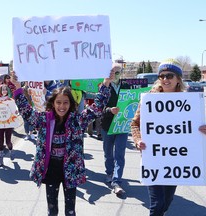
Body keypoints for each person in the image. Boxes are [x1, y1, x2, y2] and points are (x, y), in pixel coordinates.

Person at [13, 71, 115, 216]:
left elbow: (97, 108)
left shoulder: (77, 121)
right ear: (52, 103)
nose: (62, 106)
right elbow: (26, 112)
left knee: (70, 211)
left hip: (71, 170)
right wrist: (17, 88)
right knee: (52, 210)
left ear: (71, 104)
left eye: (66, 102)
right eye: (58, 102)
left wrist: (106, 83)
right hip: (51, 171)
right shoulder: (44, 120)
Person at [131, 58, 206, 216]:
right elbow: (135, 124)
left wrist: (202, 131)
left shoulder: (189, 103)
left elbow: (194, 130)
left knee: (166, 202)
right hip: (154, 159)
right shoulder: (149, 100)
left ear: (178, 79)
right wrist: (138, 140)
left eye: (169, 76)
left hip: (176, 161)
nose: (165, 79)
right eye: (162, 76)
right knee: (157, 205)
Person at [100, 63, 130, 195]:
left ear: (121, 73)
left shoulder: (126, 86)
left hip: (122, 125)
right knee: (108, 152)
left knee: (120, 154)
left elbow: (131, 104)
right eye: (112, 72)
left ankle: (117, 181)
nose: (114, 75)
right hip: (107, 124)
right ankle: (109, 173)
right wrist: (109, 110)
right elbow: (98, 107)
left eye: (117, 72)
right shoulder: (103, 87)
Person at [0, 84, 16, 167]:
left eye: (6, 89)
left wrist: (16, 113)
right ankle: (0, 161)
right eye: (2, 89)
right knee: (0, 142)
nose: (4, 91)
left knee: (8, 141)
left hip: (8, 124)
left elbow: (14, 110)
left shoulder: (11, 100)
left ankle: (11, 151)